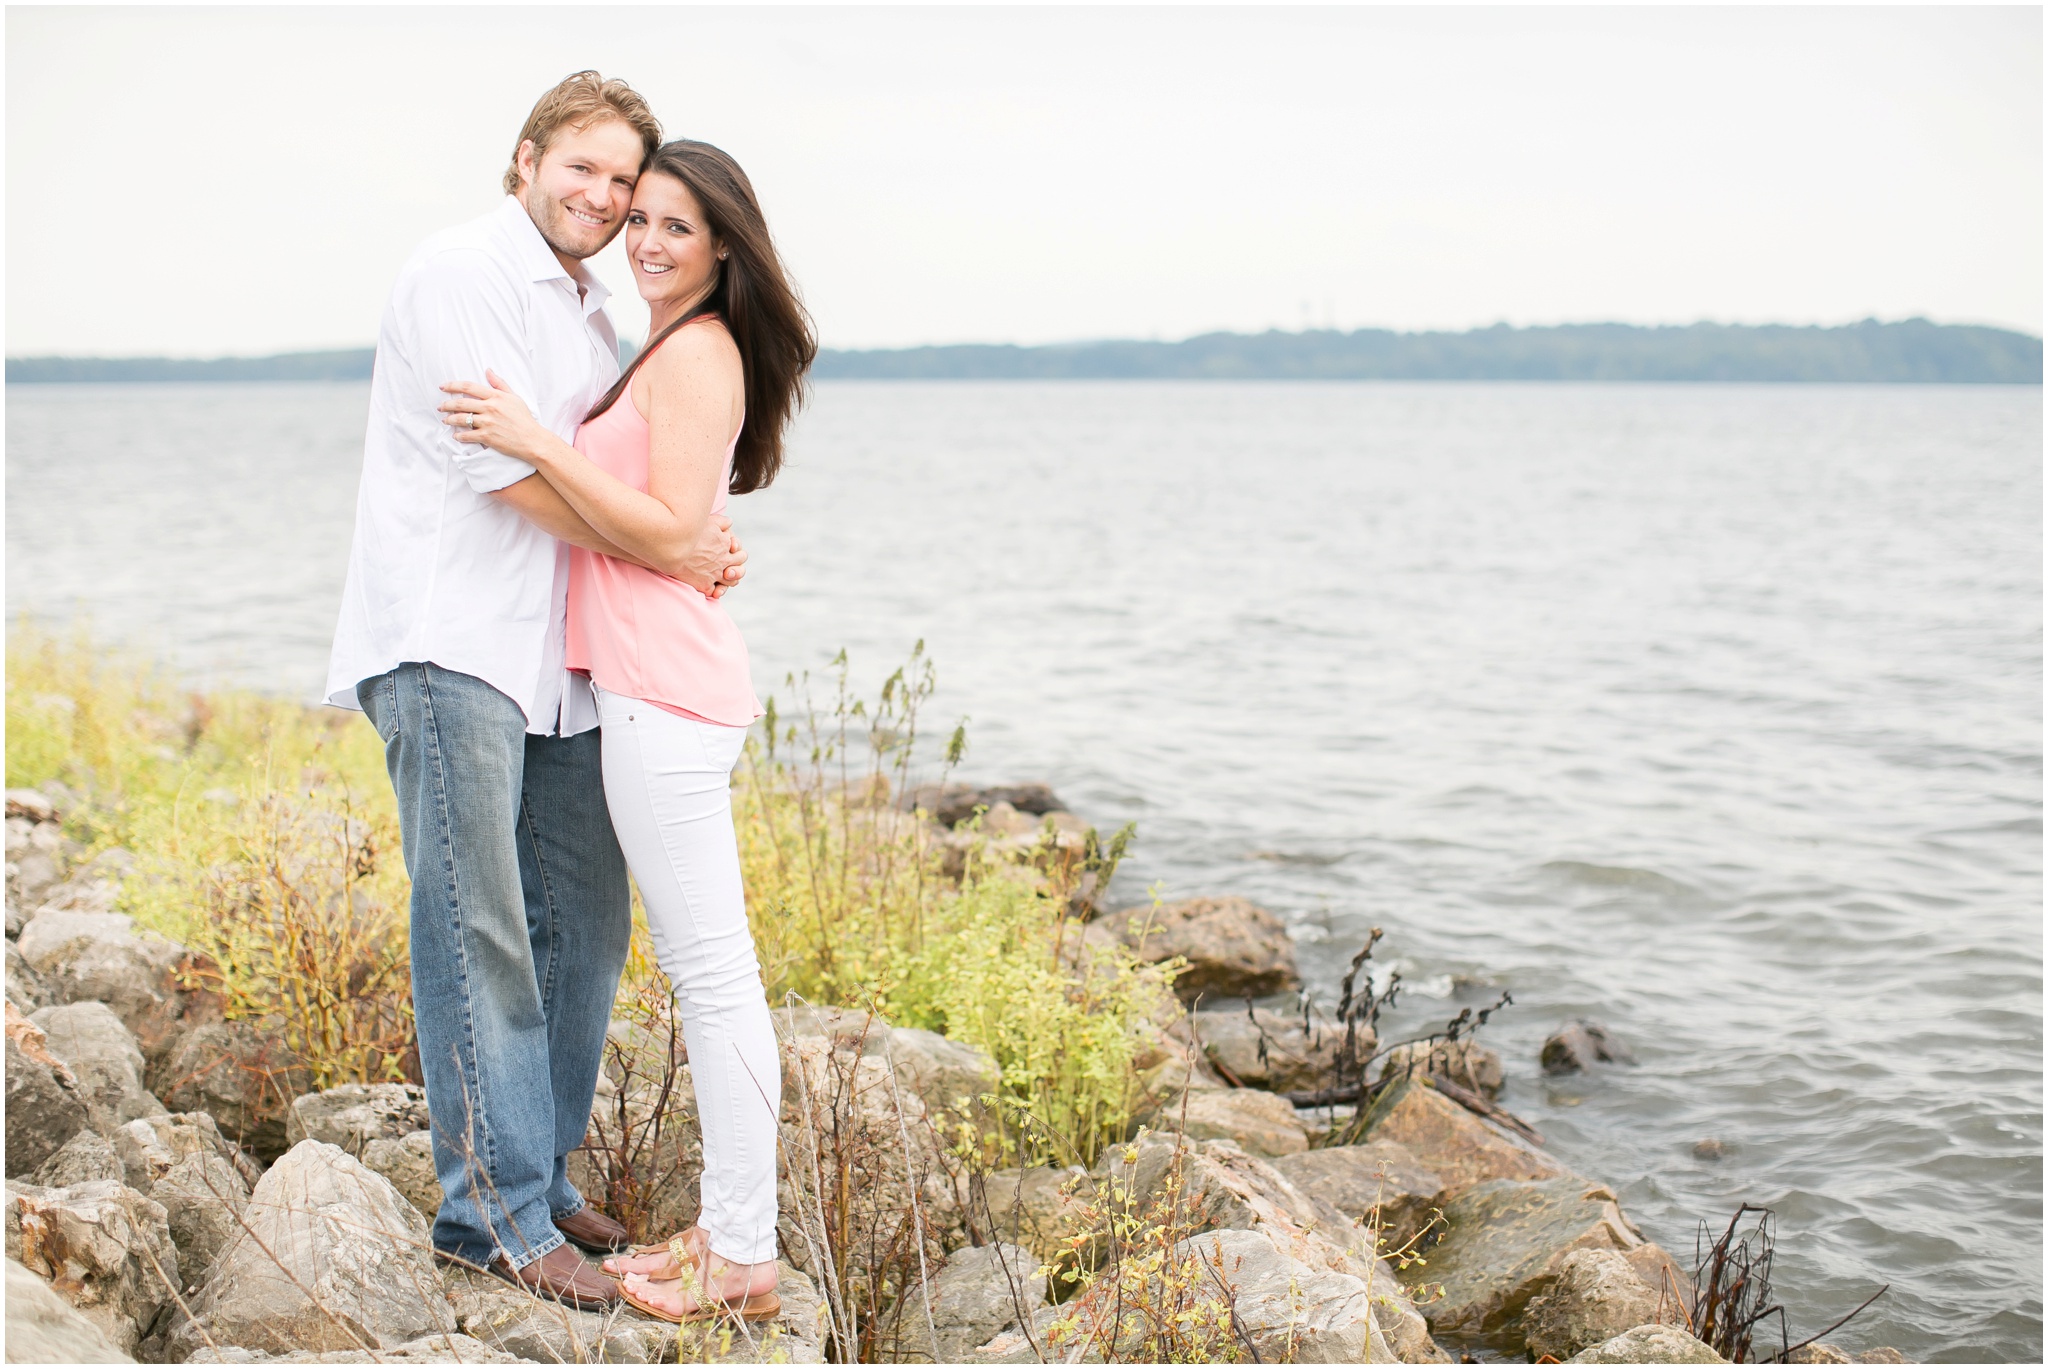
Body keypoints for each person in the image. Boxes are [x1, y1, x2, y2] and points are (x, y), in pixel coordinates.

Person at [325, 73, 745, 1310]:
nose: (606, 198)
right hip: (447, 640)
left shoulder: (594, 315)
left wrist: (687, 530)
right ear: (524, 160)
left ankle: (540, 1172)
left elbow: (620, 483)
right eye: (586, 168)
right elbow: (496, 476)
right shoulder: (461, 272)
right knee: (481, 929)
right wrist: (667, 545)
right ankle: (492, 1216)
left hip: (558, 663)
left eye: (626, 181)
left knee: (585, 926)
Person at [436, 138, 816, 1323]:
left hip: (663, 692)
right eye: (637, 217)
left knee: (713, 974)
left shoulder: (697, 352)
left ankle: (740, 1252)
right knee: (711, 971)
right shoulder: (662, 340)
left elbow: (661, 521)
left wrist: (536, 439)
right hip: (647, 684)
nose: (645, 240)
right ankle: (730, 1231)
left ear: (722, 248)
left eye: (675, 228)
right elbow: (672, 525)